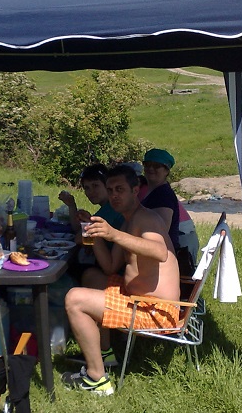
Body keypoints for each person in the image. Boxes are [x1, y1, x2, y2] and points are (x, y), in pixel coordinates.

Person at [61, 165, 181, 396]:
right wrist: (95, 232)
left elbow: (160, 252)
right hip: (140, 299)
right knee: (92, 275)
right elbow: (110, 266)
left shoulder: (146, 218)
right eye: (110, 190)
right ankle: (105, 353)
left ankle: (97, 378)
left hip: (156, 311)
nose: (114, 195)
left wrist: (114, 234)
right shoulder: (129, 220)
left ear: (135, 190)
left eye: (120, 189)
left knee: (74, 299)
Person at [58, 164, 124, 280]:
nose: (91, 192)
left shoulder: (110, 210)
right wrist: (72, 205)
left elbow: (78, 238)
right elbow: (79, 231)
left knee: (65, 269)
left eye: (95, 185)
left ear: (107, 185)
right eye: (87, 188)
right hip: (108, 264)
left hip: (116, 272)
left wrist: (88, 235)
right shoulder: (107, 208)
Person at [139, 148, 198, 275]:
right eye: (147, 164)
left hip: (163, 258)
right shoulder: (153, 191)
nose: (151, 168)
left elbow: (160, 231)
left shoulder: (163, 195)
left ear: (166, 171)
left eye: (156, 166)